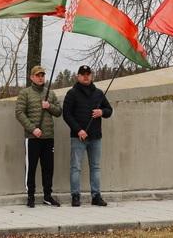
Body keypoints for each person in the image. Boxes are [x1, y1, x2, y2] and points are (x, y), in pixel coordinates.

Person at [62, 65, 113, 207]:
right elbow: (66, 114)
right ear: (78, 76)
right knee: (76, 167)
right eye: (83, 74)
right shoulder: (71, 93)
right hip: (78, 137)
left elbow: (109, 110)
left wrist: (102, 112)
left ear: (91, 76)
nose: (86, 76)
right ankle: (75, 196)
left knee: (95, 167)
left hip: (96, 137)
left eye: (88, 74)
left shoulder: (99, 93)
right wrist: (78, 130)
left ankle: (96, 196)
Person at [15, 65, 62, 207]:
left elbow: (59, 111)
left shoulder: (50, 94)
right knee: (31, 168)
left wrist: (49, 106)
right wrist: (32, 129)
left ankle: (47, 196)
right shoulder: (25, 93)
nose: (40, 77)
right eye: (38, 75)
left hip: (48, 137)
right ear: (32, 77)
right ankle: (30, 197)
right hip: (33, 138)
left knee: (48, 168)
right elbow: (19, 113)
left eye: (42, 75)